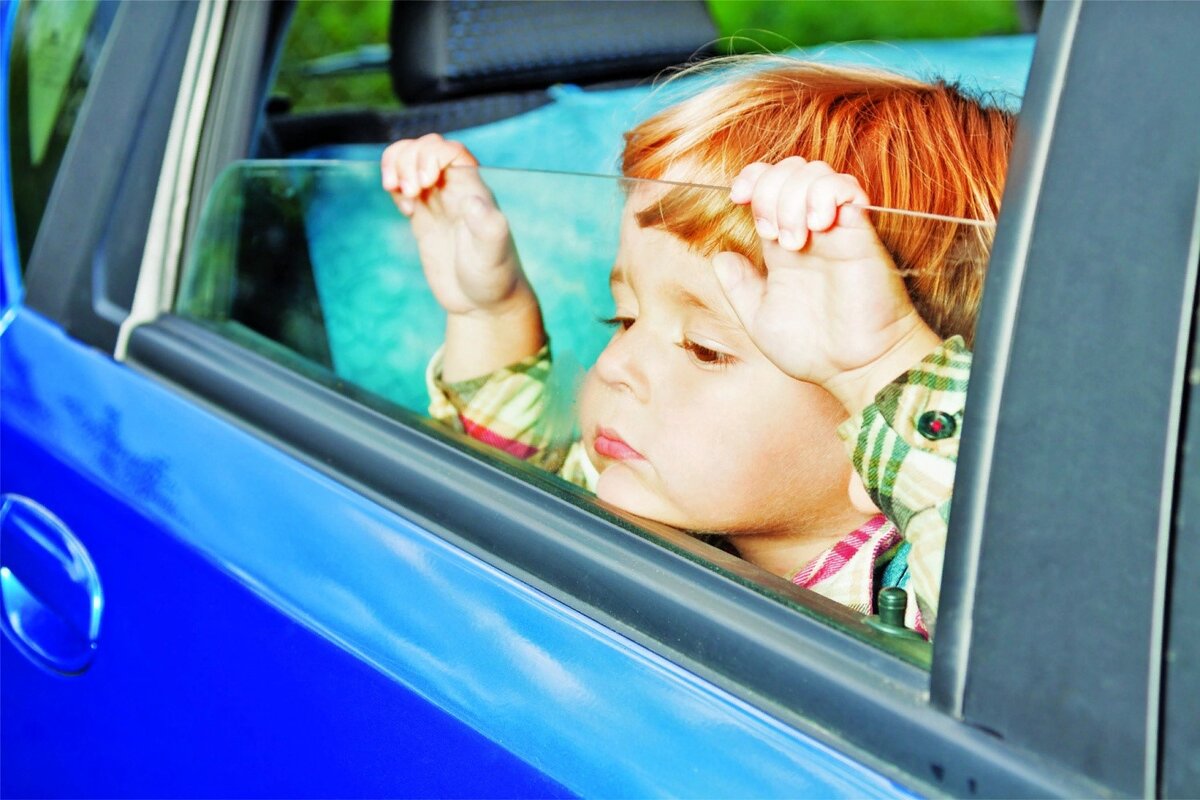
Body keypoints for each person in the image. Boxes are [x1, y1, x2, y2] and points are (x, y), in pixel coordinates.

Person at [381, 59, 1014, 638]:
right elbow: (514, 489)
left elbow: (1016, 614)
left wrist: (880, 363)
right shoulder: (673, 503)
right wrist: (490, 312)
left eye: (705, 349)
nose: (614, 365)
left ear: (871, 430)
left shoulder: (936, 603)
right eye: (625, 318)